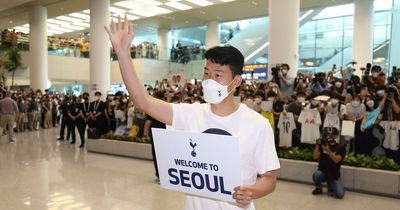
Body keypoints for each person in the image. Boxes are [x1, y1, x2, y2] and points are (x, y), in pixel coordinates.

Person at [105, 16, 279, 210]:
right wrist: (122, 53)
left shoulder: (256, 124)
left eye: (218, 75)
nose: (209, 80)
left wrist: (252, 192)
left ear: (236, 81)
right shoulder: (190, 114)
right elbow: (143, 102)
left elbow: (269, 178)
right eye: (206, 73)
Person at [312, 127, 346, 199]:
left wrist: (328, 151)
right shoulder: (322, 145)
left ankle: (330, 185)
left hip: (334, 175)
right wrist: (318, 145)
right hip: (323, 173)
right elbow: (315, 157)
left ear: (336, 136)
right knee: (316, 175)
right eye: (328, 135)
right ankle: (319, 188)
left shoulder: (340, 147)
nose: (330, 137)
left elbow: (336, 160)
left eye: (332, 135)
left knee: (340, 194)